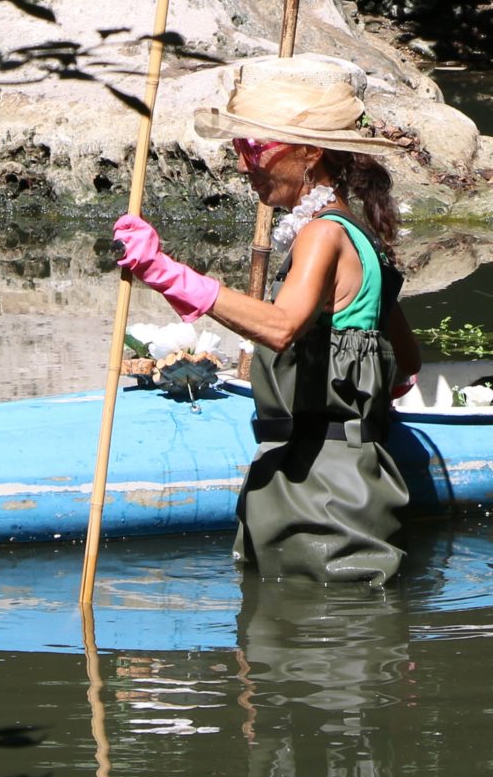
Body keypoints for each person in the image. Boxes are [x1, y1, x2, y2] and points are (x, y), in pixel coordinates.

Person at [112, 55, 424, 584]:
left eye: (255, 147)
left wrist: (163, 271)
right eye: (239, 147)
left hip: (323, 493)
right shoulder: (360, 235)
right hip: (338, 477)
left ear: (309, 152)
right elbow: (407, 366)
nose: (242, 164)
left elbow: (282, 327)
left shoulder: (322, 234)